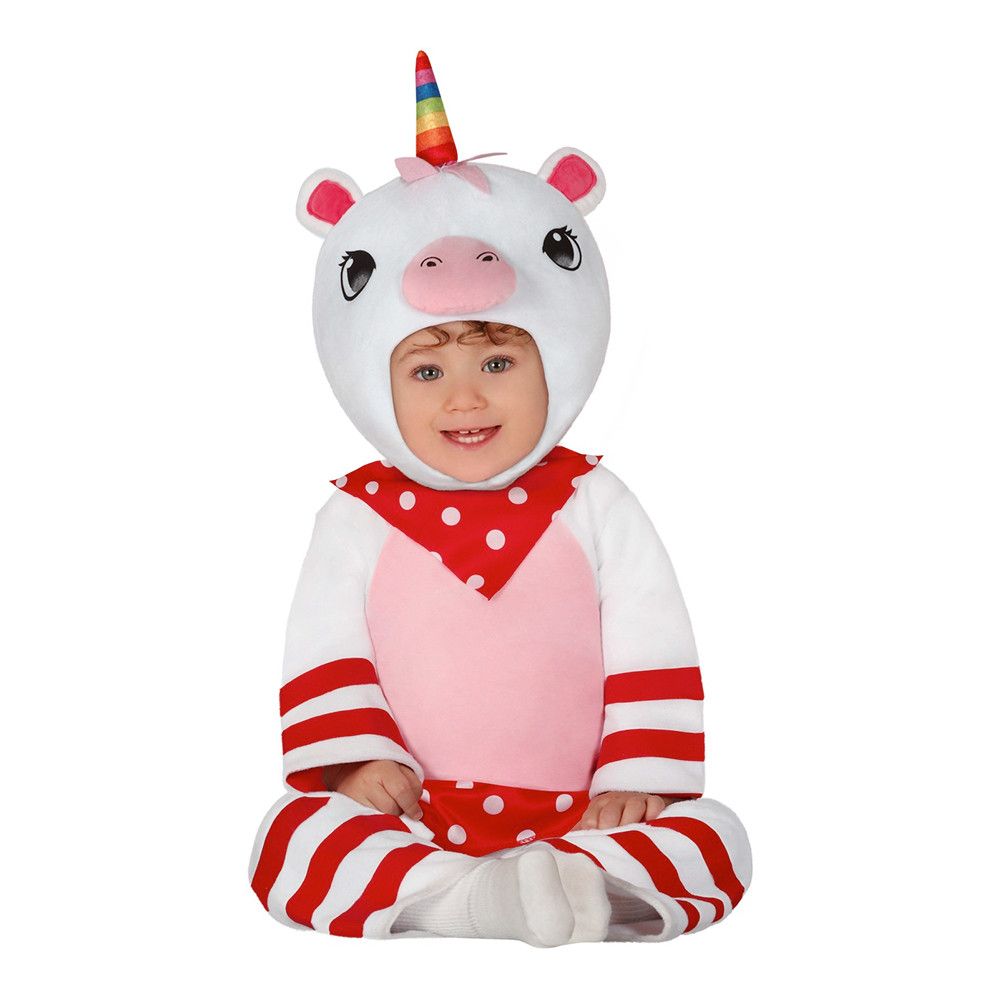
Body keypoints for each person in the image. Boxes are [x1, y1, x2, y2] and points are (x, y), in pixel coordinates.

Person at [249, 52, 752, 947]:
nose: (465, 398)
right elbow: (327, 648)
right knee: (289, 838)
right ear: (369, 379)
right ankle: (473, 899)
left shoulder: (596, 502)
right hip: (416, 812)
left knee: (718, 839)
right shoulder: (356, 517)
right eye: (426, 370)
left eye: (497, 360)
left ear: (559, 355)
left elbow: (652, 639)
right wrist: (358, 763)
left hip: (583, 810)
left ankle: (576, 881)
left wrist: (635, 778)